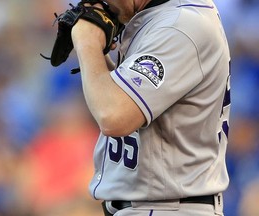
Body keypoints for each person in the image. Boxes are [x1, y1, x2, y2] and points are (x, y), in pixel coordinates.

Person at [71, 0, 231, 215]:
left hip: (167, 206)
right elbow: (118, 96)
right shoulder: (165, 18)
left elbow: (113, 116)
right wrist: (97, 53)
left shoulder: (180, 26)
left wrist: (87, 42)